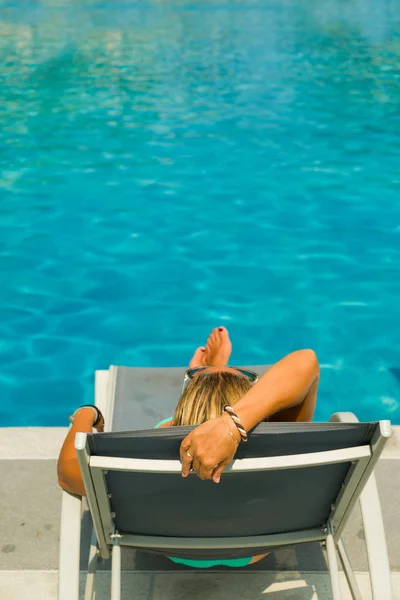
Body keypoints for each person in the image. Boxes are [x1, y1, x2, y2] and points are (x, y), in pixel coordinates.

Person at [58, 326, 320, 567]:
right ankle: (216, 382)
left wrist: (86, 413)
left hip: (167, 543)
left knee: (178, 433)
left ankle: (208, 386)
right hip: (256, 546)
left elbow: (68, 472)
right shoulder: (278, 446)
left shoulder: (143, 456)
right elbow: (307, 361)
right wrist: (233, 423)